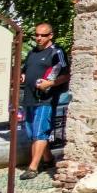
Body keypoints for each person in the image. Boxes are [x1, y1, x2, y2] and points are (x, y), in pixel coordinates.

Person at [20, 23, 68, 179]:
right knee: (30, 132)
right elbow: (25, 70)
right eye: (37, 35)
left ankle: (33, 167)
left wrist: (49, 84)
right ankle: (48, 159)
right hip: (29, 98)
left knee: (40, 132)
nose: (39, 38)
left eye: (43, 35)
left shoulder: (56, 52)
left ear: (50, 36)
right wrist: (23, 76)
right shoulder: (32, 53)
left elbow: (65, 75)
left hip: (45, 99)